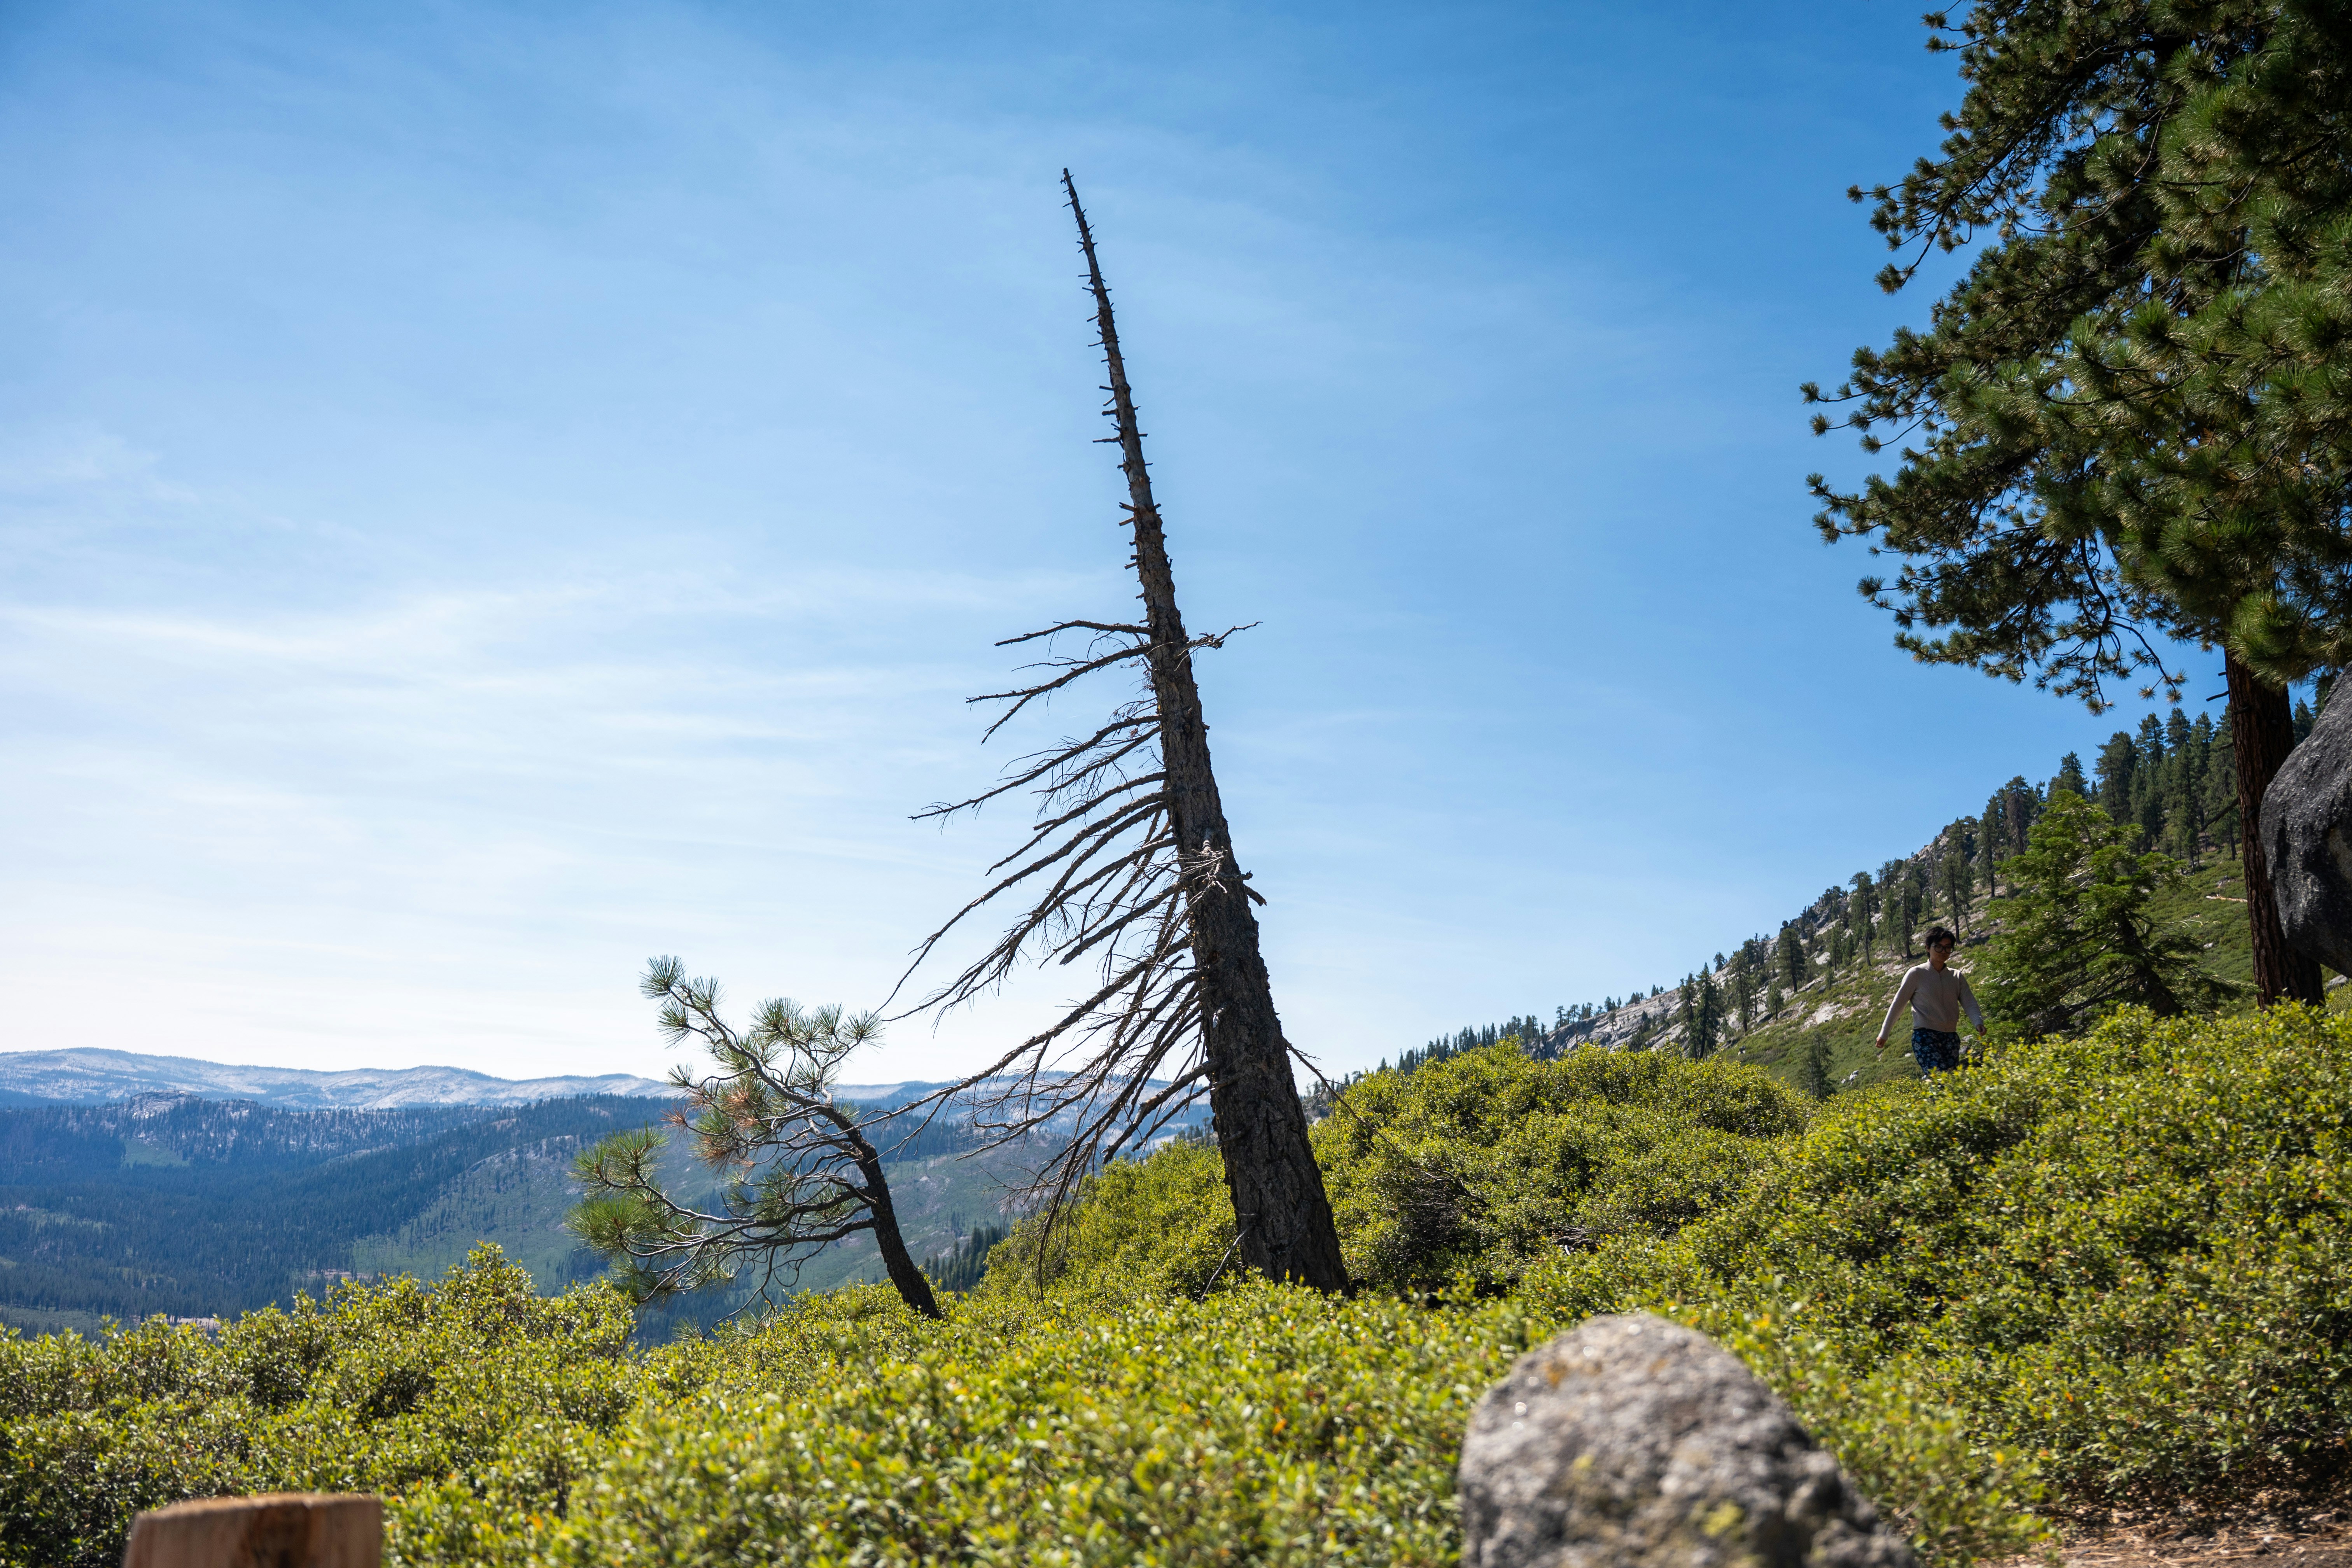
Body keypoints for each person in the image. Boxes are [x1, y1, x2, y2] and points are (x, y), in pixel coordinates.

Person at [1874, 926, 1983, 1076]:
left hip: (1951, 1038)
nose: (1943, 952)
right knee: (1939, 1079)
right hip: (1925, 1037)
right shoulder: (1916, 974)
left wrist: (1978, 1022)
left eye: (1948, 948)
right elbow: (1898, 1004)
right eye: (1938, 947)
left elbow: (1969, 1002)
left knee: (1950, 1082)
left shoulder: (1956, 977)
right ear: (1928, 948)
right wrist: (1884, 1034)